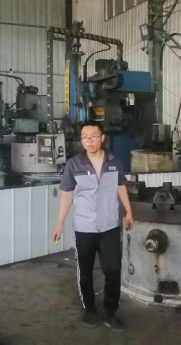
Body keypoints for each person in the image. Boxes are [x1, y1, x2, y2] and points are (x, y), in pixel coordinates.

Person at [52, 121, 134, 332]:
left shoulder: (114, 161)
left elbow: (121, 185)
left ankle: (110, 311)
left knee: (113, 269)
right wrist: (59, 224)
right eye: (85, 137)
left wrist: (128, 210)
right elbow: (67, 196)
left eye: (93, 136)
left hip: (109, 225)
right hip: (84, 227)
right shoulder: (74, 164)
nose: (89, 141)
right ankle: (90, 309)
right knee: (86, 271)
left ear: (102, 138)